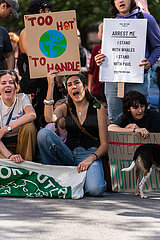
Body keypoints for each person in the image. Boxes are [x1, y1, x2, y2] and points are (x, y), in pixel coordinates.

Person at [37, 72, 108, 196]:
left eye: (77, 83)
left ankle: (78, 180)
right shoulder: (65, 107)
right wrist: (51, 86)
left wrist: (89, 159)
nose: (74, 87)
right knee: (44, 133)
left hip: (89, 155)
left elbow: (104, 145)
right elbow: (49, 118)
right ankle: (53, 174)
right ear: (68, 90)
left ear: (85, 86)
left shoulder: (98, 108)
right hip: (69, 154)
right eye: (69, 85)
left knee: (95, 190)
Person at [95, 0, 160, 124]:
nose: (121, 0)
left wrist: (150, 62)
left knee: (139, 118)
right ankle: (117, 144)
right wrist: (100, 59)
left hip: (137, 79)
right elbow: (109, 52)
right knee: (115, 120)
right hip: (113, 80)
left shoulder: (146, 19)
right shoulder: (111, 23)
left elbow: (158, 46)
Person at [17, 0, 66, 130]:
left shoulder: (46, 31)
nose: (51, 13)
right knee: (37, 118)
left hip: (47, 80)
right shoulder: (26, 32)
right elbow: (36, 59)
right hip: (33, 84)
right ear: (41, 12)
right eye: (48, 10)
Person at [0, 70, 37, 162]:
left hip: (20, 141)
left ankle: (28, 165)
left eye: (11, 83)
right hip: (3, 146)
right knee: (8, 163)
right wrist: (10, 156)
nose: (7, 85)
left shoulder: (22, 97)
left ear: (17, 87)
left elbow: (31, 115)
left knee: (29, 127)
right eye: (3, 83)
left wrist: (6, 129)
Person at [88, 23, 106, 103]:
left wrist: (90, 87)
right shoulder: (96, 48)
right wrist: (89, 89)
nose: (98, 34)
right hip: (97, 86)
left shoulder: (97, 48)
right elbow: (91, 70)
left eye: (98, 31)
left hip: (103, 85)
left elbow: (91, 71)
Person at [0, 0, 19, 70]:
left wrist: (10, 73)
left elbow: (9, 55)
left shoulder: (3, 31)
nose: (10, 16)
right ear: (3, 6)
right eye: (10, 13)